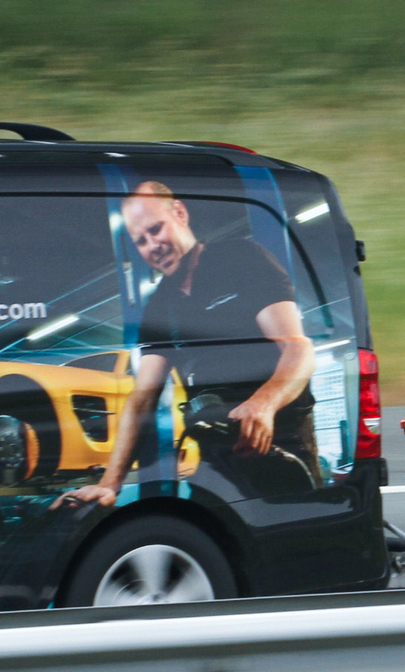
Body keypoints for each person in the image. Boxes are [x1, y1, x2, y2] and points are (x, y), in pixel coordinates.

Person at [65, 181, 315, 506]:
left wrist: (263, 404)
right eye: (141, 241)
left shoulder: (242, 258)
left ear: (180, 213)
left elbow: (298, 348)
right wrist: (109, 484)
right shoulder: (158, 307)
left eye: (156, 229)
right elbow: (141, 401)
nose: (153, 245)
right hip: (217, 458)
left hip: (279, 441)